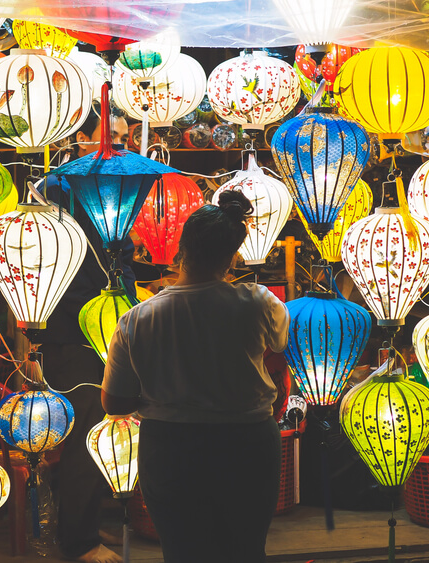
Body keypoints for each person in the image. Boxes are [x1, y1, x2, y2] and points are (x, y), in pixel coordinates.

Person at [101, 191, 290, 563]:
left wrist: (164, 393)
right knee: (246, 549)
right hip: (247, 442)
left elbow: (114, 403)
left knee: (183, 551)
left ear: (181, 248)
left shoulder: (138, 319)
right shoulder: (258, 302)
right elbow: (277, 350)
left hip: (172, 448)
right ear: (233, 254)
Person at [38, 104, 131, 563]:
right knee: (86, 436)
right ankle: (79, 542)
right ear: (80, 139)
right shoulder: (62, 189)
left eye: (125, 136)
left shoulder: (101, 185)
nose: (119, 144)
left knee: (99, 432)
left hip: (100, 326)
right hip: (75, 330)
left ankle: (84, 527)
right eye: (111, 135)